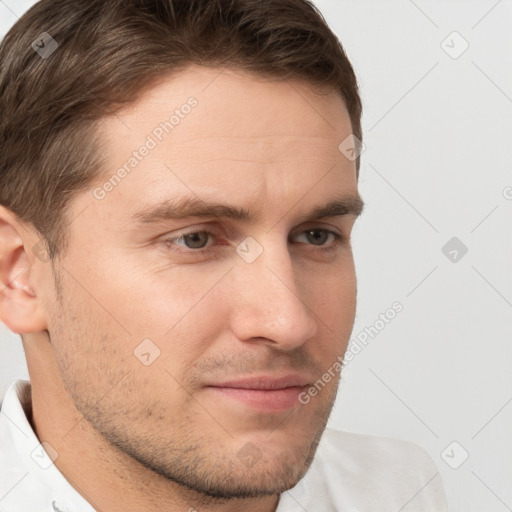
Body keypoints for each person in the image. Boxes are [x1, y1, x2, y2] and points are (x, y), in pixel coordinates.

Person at [0, 0, 448, 510]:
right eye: (195, 239)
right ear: (19, 273)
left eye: (317, 235)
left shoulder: (398, 490)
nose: (288, 321)